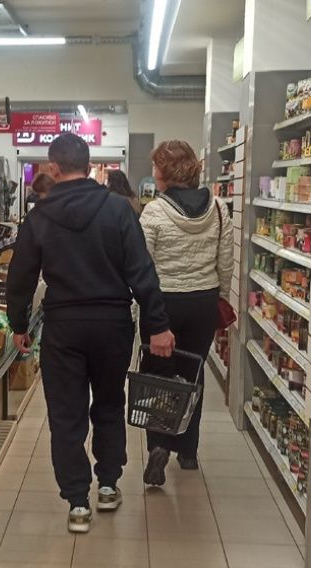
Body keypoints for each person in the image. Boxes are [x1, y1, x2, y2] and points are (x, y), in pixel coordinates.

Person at [6, 133, 174, 534]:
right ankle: (109, 485)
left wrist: (18, 324)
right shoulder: (117, 209)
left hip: (63, 328)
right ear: (88, 164)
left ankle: (77, 502)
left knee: (66, 414)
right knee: (109, 404)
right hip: (112, 325)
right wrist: (157, 325)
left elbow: (20, 275)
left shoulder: (40, 217)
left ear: (53, 168)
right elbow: (142, 271)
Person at [137, 139, 233, 486]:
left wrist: (143, 305)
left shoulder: (154, 212)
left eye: (155, 166)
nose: (153, 172)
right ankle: (188, 450)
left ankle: (159, 445)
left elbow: (143, 265)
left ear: (164, 172)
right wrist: (220, 297)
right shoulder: (219, 208)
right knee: (192, 373)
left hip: (163, 303)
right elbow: (225, 261)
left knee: (159, 375)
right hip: (203, 302)